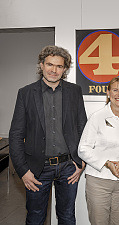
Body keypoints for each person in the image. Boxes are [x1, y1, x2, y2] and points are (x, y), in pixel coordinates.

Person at [9, 45, 87, 225]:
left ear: (65, 69)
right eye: (50, 64)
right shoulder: (26, 93)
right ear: (42, 65)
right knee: (35, 217)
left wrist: (81, 162)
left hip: (68, 166)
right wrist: (23, 171)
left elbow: (82, 127)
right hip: (36, 169)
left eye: (59, 66)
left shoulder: (74, 91)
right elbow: (16, 135)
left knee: (67, 216)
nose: (54, 70)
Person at [78, 77, 119, 225]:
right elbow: (83, 149)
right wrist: (106, 163)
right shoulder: (96, 117)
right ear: (108, 93)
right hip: (98, 181)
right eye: (115, 90)